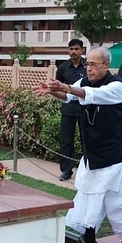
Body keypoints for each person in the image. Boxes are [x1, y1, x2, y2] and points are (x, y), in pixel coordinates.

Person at [33, 47, 122, 243]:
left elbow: (93, 96)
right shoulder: (84, 83)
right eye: (87, 64)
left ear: (106, 65)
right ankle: (89, 236)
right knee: (89, 197)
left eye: (93, 64)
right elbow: (69, 97)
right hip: (93, 154)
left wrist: (67, 87)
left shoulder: (117, 86)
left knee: (120, 201)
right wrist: (53, 90)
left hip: (115, 156)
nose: (88, 68)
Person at [55, 39, 87, 181]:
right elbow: (57, 87)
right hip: (68, 109)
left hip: (85, 109)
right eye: (71, 49)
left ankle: (87, 169)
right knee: (66, 140)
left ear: (82, 50)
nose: (73, 52)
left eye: (76, 49)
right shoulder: (62, 68)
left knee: (86, 139)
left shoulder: (88, 66)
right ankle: (66, 170)